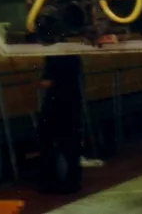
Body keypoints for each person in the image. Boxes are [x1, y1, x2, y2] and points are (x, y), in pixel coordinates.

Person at [36, 55, 84, 193]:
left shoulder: (55, 57)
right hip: (71, 101)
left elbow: (49, 81)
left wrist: (44, 82)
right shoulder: (72, 55)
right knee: (70, 143)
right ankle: (70, 181)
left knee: (48, 140)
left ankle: (53, 180)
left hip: (57, 102)